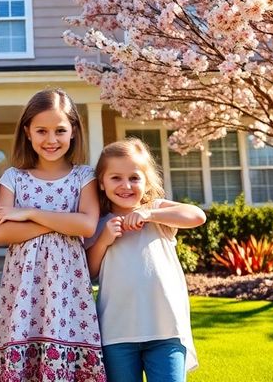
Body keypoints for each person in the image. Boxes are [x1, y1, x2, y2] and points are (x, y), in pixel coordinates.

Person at [0, 89, 106, 381]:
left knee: (67, 345)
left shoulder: (84, 176)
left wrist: (30, 213)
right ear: (27, 132)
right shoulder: (14, 177)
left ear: (73, 131)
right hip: (24, 285)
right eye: (41, 131)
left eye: (60, 130)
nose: (51, 140)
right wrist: (65, 222)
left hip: (68, 288)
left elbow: (88, 225)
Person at [85, 139, 206, 382]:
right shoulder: (98, 223)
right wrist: (103, 240)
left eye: (134, 178)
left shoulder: (157, 214)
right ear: (101, 183)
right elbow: (90, 272)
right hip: (116, 334)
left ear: (146, 181)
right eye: (116, 177)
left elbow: (197, 216)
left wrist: (149, 213)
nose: (126, 185)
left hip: (165, 331)